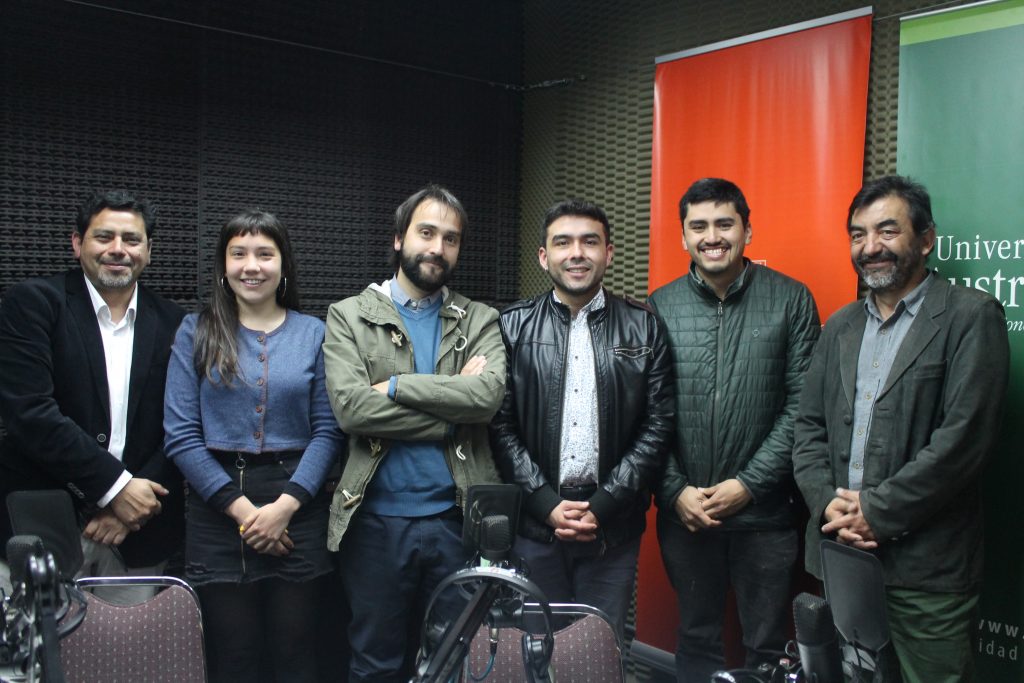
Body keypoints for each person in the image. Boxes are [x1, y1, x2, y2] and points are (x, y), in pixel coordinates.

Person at [793, 175, 1009, 683]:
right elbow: (808, 429)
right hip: (841, 558)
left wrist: (876, 511)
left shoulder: (971, 316)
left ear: (926, 239)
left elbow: (963, 442)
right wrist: (827, 504)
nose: (870, 247)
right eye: (858, 235)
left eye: (887, 231)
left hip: (926, 572)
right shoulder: (840, 326)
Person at [323, 184, 505, 682]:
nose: (437, 248)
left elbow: (487, 398)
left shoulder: (479, 319)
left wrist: (397, 386)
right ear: (399, 238)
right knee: (375, 664)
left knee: (451, 662)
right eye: (426, 233)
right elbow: (353, 410)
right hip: (375, 525)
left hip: (457, 521)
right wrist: (453, 411)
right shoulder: (349, 316)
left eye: (451, 238)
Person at [648, 178, 820, 681]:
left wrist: (747, 485)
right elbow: (648, 412)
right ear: (683, 236)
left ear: (747, 230)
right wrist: (674, 490)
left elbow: (803, 407)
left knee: (766, 646)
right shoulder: (660, 305)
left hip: (766, 516)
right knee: (695, 637)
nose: (712, 237)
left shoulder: (791, 299)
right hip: (687, 515)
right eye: (698, 226)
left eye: (724, 224)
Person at [163, 209, 343, 682]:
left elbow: (328, 431)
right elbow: (181, 436)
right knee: (233, 656)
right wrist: (245, 513)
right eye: (238, 253)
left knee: (296, 652)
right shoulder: (196, 331)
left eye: (265, 254)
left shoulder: (314, 333)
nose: (251, 265)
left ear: (283, 265)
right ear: (223, 266)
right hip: (217, 509)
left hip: (298, 508)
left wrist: (285, 507)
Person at [490, 199, 673, 637]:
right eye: (563, 242)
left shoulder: (645, 326)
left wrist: (605, 504)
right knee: (536, 652)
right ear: (544, 256)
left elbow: (659, 425)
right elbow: (499, 426)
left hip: (611, 528)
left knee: (600, 654)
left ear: (608, 253)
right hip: (535, 527)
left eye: (589, 242)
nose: (576, 253)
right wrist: (545, 503)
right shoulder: (511, 327)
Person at [0, 189, 185, 601]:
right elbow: (29, 413)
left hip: (138, 532)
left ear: (148, 251)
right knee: (39, 643)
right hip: (44, 527)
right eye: (104, 237)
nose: (118, 249)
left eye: (131, 239)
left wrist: (132, 508)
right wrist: (116, 489)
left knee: (128, 644)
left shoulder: (175, 321)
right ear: (77, 243)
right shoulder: (33, 304)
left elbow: (183, 425)